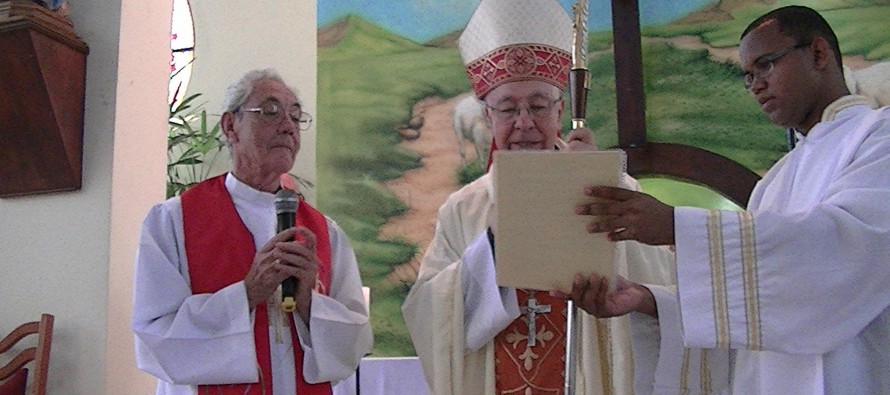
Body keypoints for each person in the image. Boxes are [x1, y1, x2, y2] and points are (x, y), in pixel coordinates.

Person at [563, 6, 890, 394]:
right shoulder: (778, 179)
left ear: (819, 54)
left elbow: (842, 256)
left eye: (765, 65)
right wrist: (648, 301)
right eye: (748, 76)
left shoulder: (878, 138)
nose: (756, 85)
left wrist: (674, 225)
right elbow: (759, 313)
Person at [400, 0, 675, 393]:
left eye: (538, 106)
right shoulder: (464, 209)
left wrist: (593, 183)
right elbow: (428, 312)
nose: (524, 123)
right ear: (488, 118)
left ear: (561, 110)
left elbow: (659, 285)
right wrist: (495, 243)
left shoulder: (615, 190)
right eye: (508, 108)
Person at [132, 68, 373, 395]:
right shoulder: (172, 221)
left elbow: (356, 338)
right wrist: (247, 293)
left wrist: (308, 303)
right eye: (271, 111)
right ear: (231, 126)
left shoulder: (325, 233)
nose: (288, 126)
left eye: (296, 115)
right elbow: (154, 335)